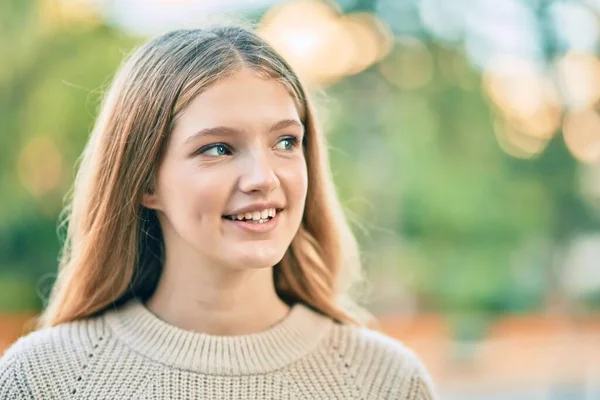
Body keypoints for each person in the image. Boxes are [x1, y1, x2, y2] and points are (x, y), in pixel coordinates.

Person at [0, 26, 437, 399]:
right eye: (219, 148)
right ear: (146, 182)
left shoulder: (385, 382)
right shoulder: (45, 380)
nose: (262, 178)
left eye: (285, 142)